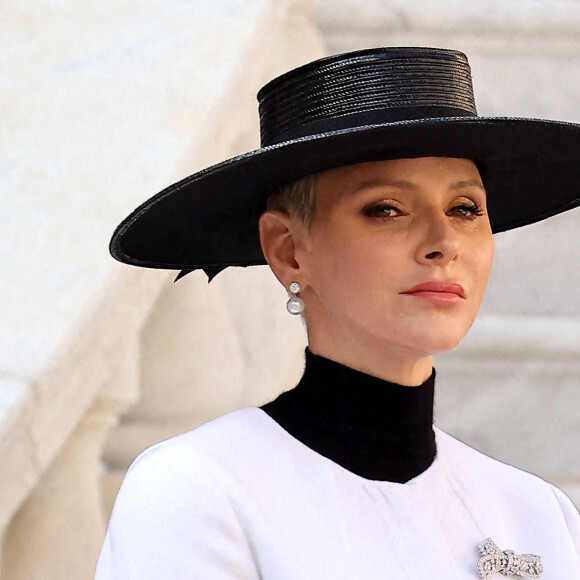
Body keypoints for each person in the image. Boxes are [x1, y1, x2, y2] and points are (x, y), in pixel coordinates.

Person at [96, 47, 580, 579]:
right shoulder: (198, 490)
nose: (444, 243)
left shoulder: (538, 515)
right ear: (287, 249)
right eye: (387, 209)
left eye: (465, 209)